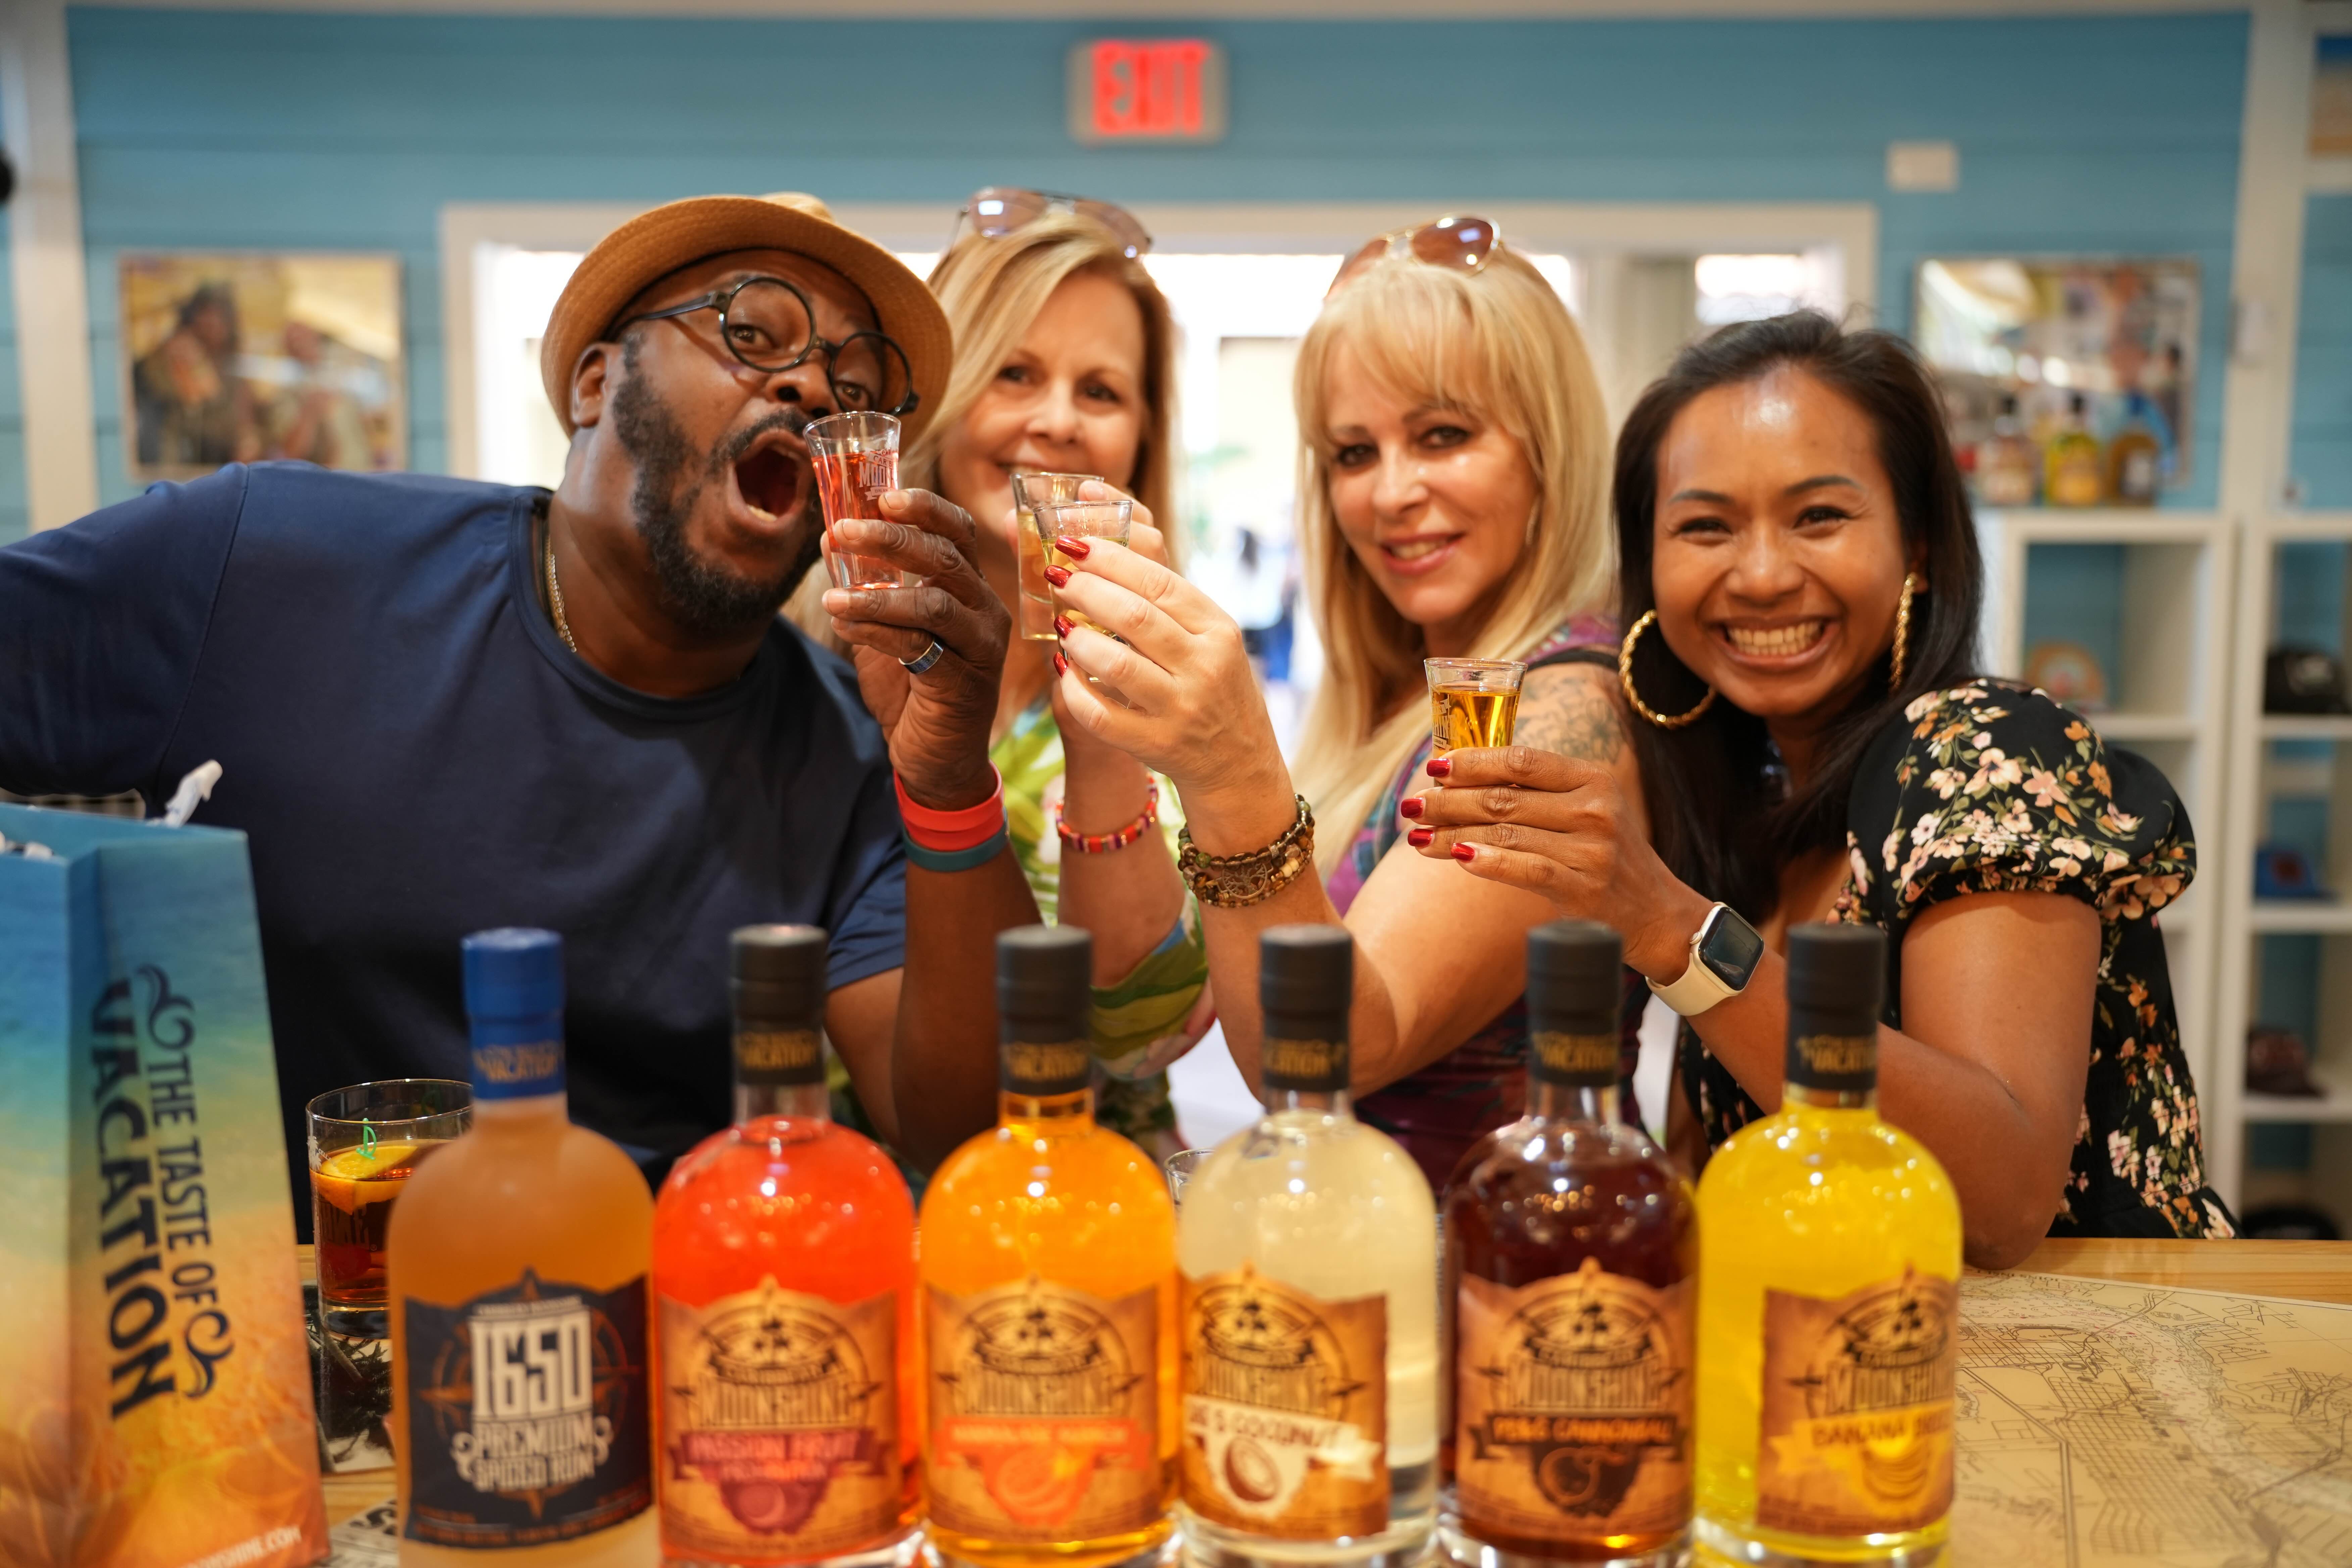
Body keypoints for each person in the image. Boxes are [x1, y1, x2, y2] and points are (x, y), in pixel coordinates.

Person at [0, 192, 1035, 1220]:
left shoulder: (849, 748)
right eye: (752, 334)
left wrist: (949, 778)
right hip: (253, 1302)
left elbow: (954, 1126)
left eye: (854, 390)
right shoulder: (267, 561)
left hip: (632, 1307)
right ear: (596, 381)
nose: (810, 386)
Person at [1400, 311, 2233, 1266]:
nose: (1761, 576)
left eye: (1819, 517)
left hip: (2092, 1351)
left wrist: (1672, 929)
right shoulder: (1750, 804)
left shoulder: (1987, 752)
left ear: (1919, 542)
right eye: (1705, 526)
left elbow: (2001, 1203)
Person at [1044, 215, 1623, 1185]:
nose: (1391, 493)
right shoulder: (1393, 702)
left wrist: (1235, 772)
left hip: (1501, 1253)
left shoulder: (1559, 707)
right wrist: (1101, 737)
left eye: (1443, 436)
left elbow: (1328, 1051)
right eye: (1354, 453)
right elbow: (1167, 1011)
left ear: (1549, 449)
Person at [841, 189, 1207, 1157]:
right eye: (1015, 373)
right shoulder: (827, 654)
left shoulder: (1177, 679)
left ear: (1142, 436)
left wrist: (1098, 727)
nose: (1058, 421)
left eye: (1102, 391)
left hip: (1098, 1203)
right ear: (937, 400)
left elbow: (1143, 1038)